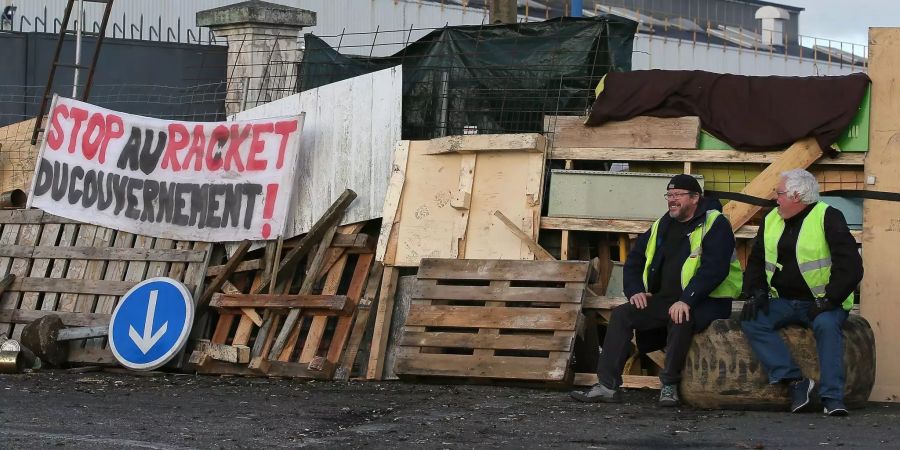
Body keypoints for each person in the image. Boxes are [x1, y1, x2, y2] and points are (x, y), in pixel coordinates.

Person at [571, 174, 743, 406]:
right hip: (667, 299)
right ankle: (607, 386)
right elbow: (635, 260)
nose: (671, 200)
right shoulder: (663, 224)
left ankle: (669, 385)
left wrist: (686, 300)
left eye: (677, 195)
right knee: (623, 314)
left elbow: (714, 270)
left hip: (707, 300)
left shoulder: (715, 223)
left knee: (681, 316)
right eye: (669, 195)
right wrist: (635, 291)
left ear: (695, 198)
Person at [740, 169, 863, 417]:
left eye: (780, 193)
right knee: (752, 319)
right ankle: (795, 381)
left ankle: (832, 398)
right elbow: (756, 261)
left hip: (822, 303)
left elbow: (850, 266)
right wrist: (756, 292)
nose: (776, 198)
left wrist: (830, 300)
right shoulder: (771, 219)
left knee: (827, 327)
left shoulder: (828, 217)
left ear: (797, 195)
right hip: (783, 300)